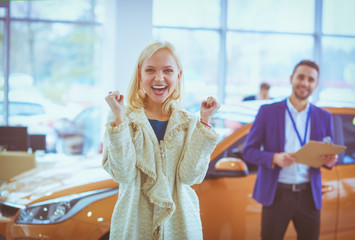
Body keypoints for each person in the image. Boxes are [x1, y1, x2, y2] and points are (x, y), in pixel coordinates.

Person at [102, 40, 220, 240]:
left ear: (178, 75)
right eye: (150, 70)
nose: (159, 78)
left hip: (180, 227)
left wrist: (205, 122)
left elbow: (191, 177)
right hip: (134, 227)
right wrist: (119, 119)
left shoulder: (189, 122)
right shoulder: (122, 117)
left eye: (167, 70)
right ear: (140, 74)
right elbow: (123, 174)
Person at [242, 60, 338, 240]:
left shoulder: (324, 117)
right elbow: (248, 151)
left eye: (310, 79)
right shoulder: (267, 112)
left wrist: (330, 161)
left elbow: (329, 153)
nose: (305, 83)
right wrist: (274, 158)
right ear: (291, 79)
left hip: (309, 196)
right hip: (277, 194)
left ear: (315, 85)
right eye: (301, 77)